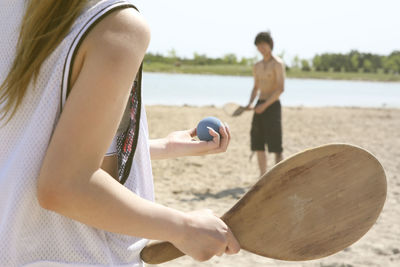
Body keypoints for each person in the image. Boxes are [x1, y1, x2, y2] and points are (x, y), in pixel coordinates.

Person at [0, 0, 240, 266]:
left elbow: (33, 143)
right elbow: (65, 186)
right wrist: (183, 227)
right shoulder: (117, 25)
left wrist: (160, 148)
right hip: (76, 255)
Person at [246, 31, 285, 176]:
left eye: (263, 44)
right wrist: (250, 103)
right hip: (259, 104)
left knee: (276, 145)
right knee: (258, 143)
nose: (261, 48)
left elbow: (280, 89)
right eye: (258, 45)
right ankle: (263, 176)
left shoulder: (278, 64)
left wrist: (265, 106)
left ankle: (279, 175)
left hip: (273, 105)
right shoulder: (257, 66)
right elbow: (255, 87)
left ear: (270, 45)